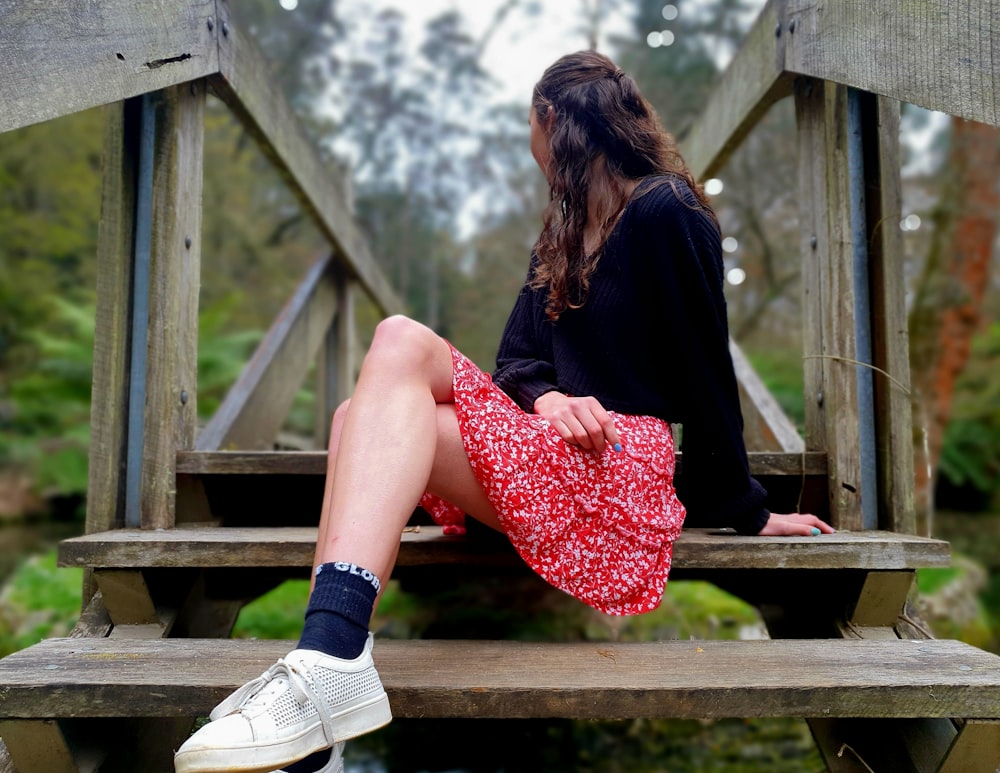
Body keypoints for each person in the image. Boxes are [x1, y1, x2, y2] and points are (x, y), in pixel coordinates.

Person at [174, 50, 833, 773]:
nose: (530, 143)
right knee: (351, 418)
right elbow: (515, 362)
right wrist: (549, 397)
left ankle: (327, 661)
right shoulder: (561, 233)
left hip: (618, 468)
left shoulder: (667, 211)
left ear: (549, 120)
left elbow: (708, 369)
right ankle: (320, 694)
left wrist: (747, 507)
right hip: (549, 452)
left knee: (397, 339)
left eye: (529, 124)